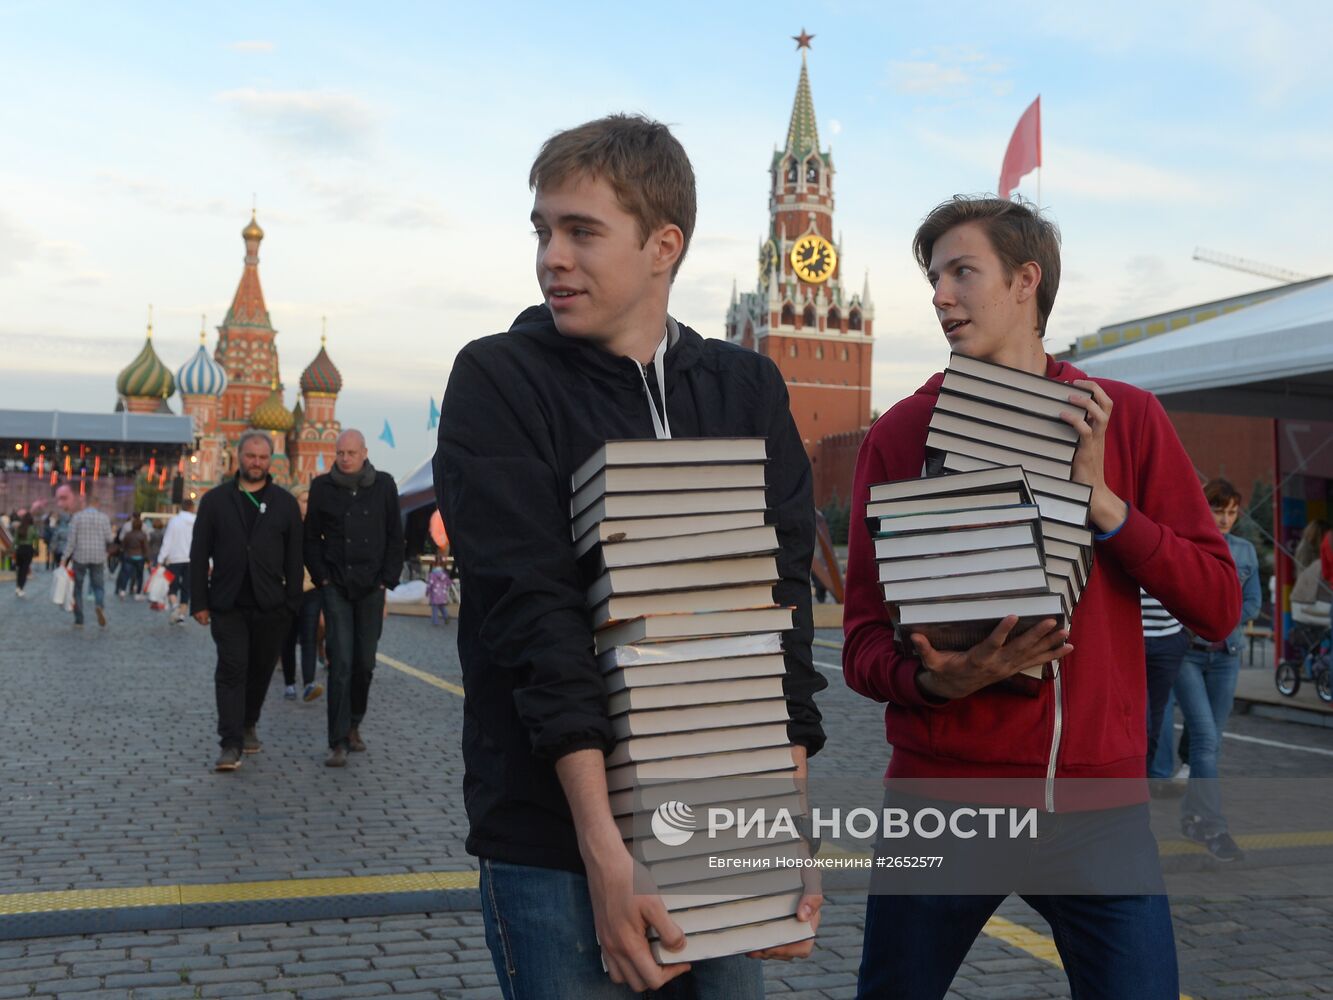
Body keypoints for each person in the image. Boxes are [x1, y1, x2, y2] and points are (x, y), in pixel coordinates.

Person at [435, 114, 826, 999]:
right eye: (542, 230)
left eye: (581, 231)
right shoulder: (499, 379)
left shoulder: (744, 387)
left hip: (721, 821)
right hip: (553, 841)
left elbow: (779, 618)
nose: (551, 257)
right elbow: (530, 614)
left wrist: (786, 833)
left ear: (663, 245)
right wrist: (604, 856)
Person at [841, 196, 1240, 999]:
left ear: (1026, 281)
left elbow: (1218, 605)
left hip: (1098, 810)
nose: (939, 296)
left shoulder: (1123, 418)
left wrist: (1105, 508)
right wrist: (930, 681)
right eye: (932, 277)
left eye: (961, 272)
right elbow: (859, 638)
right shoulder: (901, 434)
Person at [190, 430, 303, 772]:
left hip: (272, 605)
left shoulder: (284, 504)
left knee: (261, 670)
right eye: (250, 456)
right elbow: (198, 555)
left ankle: (249, 721)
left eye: (262, 457)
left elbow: (295, 558)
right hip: (228, 603)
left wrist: (292, 604)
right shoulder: (215, 501)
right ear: (238, 457)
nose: (256, 462)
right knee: (231, 669)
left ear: (271, 460)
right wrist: (199, 601)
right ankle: (230, 742)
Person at [1159, 479, 1259, 861]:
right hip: (1188, 653)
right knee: (1203, 738)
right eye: (1219, 510)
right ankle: (1216, 828)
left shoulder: (1245, 551)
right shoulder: (1187, 546)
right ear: (1205, 508)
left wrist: (1222, 616)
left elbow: (1251, 602)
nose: (1226, 518)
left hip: (1228, 655)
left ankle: (1192, 817)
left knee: (1211, 743)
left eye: (1232, 511)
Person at [304, 428, 404, 768]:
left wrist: (385, 581)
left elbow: (395, 535)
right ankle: (338, 740)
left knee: (365, 662)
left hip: (371, 586)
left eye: (351, 453)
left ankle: (355, 721)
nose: (345, 458)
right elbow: (311, 538)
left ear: (364, 453)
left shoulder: (384, 485)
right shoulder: (321, 487)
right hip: (337, 585)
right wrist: (323, 578)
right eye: (340, 453)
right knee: (341, 662)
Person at [1142, 585, 1190, 798]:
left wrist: (1186, 632)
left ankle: (1140, 784)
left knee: (1155, 724)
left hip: (1169, 638)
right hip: (1128, 632)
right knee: (1141, 721)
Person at [281, 486, 325, 703]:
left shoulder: (318, 528)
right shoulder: (285, 526)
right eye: (304, 500)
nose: (308, 504)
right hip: (288, 590)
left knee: (309, 637)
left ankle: (308, 683)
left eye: (310, 500)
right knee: (287, 639)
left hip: (311, 589)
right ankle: (289, 683)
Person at [60, 486, 114, 629]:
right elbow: (109, 538)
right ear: (97, 504)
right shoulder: (104, 518)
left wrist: (64, 558)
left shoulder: (77, 517)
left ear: (87, 504)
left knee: (77, 588)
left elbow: (71, 541)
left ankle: (79, 619)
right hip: (98, 557)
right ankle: (99, 605)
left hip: (80, 557)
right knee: (98, 586)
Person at [156, 499, 197, 625]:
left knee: (172, 586)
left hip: (175, 559)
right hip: (192, 559)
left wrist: (160, 559)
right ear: (192, 508)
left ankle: (175, 607)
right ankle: (182, 616)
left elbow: (167, 541)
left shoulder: (174, 521)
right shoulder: (197, 521)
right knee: (186, 588)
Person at [116, 515, 149, 599]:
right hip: (140, 557)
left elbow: (123, 546)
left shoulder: (128, 535)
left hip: (129, 556)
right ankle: (138, 593)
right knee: (139, 575)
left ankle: (122, 591)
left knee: (125, 574)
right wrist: (147, 558)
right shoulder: (143, 535)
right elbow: (145, 547)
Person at [12, 512, 39, 597]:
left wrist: (13, 550)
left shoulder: (19, 527)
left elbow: (15, 541)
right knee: (25, 569)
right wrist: (36, 549)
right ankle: (21, 588)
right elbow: (36, 539)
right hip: (28, 549)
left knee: (19, 569)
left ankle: (17, 587)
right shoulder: (32, 528)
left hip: (19, 549)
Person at [426, 556, 451, 625]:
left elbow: (430, 584)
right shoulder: (445, 575)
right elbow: (449, 583)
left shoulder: (432, 575)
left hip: (435, 594)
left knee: (435, 609)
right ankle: (446, 617)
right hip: (443, 594)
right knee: (442, 607)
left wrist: (427, 591)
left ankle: (435, 621)